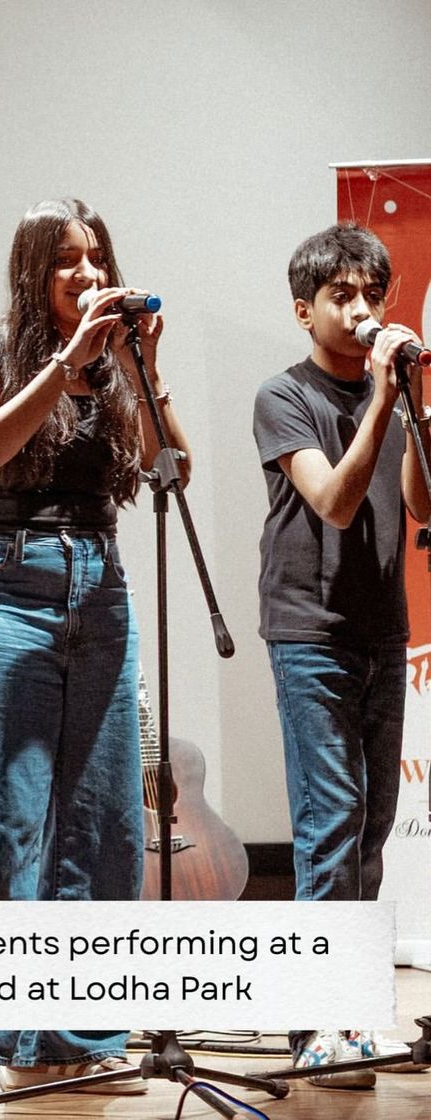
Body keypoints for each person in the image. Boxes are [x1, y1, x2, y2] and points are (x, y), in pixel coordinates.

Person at [0, 198, 191, 1104]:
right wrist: (64, 367)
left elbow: (169, 468)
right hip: (1, 588)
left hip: (98, 587)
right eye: (67, 260)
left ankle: (75, 1034)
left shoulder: (119, 363)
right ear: (32, 273)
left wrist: (144, 371)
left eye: (96, 257)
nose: (87, 273)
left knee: (102, 822)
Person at [253, 221, 430, 1087]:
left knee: (369, 830)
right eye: (342, 296)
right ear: (305, 310)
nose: (362, 310)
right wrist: (384, 404)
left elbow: (421, 504)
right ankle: (315, 1027)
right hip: (309, 632)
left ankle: (350, 1015)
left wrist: (413, 410)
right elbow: (332, 499)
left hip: (381, 630)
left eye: (372, 295)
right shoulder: (283, 396)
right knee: (330, 825)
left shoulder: (393, 396)